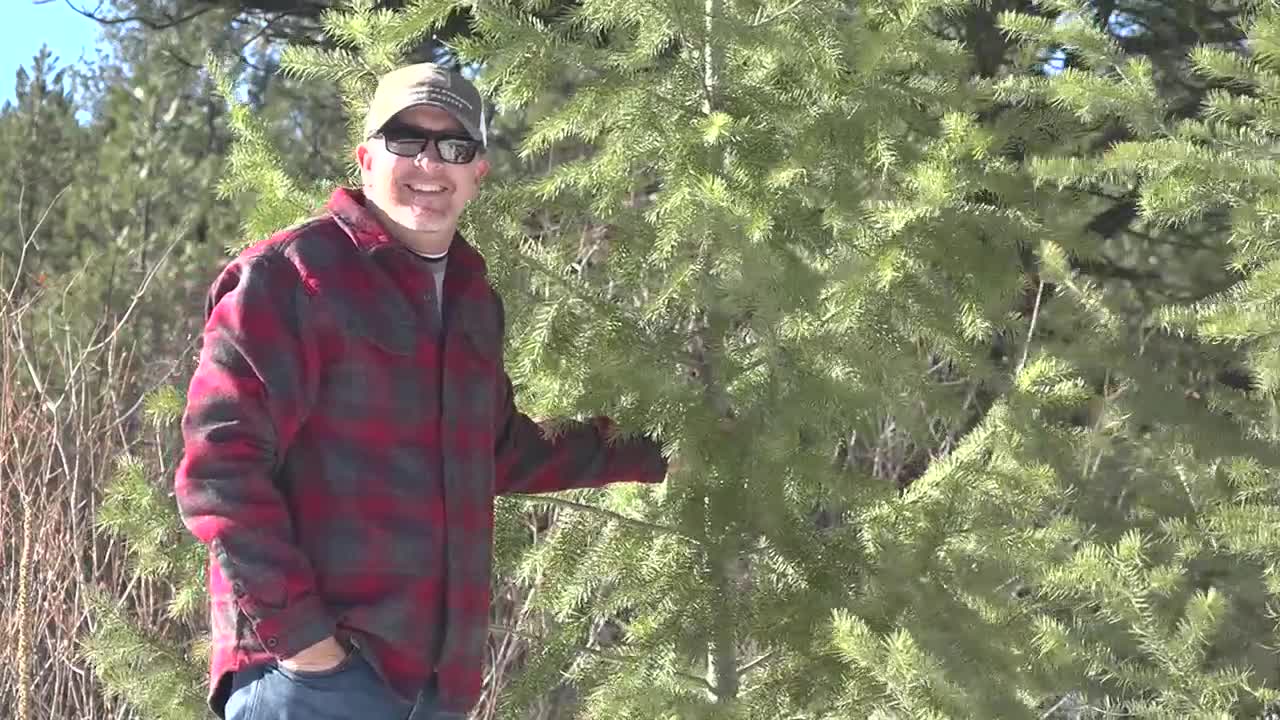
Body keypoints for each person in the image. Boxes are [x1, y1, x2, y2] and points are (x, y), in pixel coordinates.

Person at [174, 62, 670, 720]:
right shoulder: (288, 276)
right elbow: (220, 469)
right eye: (406, 140)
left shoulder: (471, 300)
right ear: (365, 158)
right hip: (314, 684)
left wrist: (656, 447)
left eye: (454, 146)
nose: (429, 163)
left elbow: (496, 451)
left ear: (477, 173)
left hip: (434, 690)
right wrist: (304, 645)